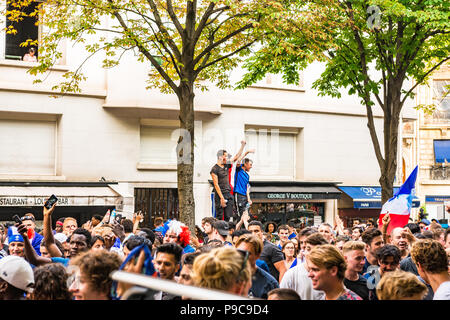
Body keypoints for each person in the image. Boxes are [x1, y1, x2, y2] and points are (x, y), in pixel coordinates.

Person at [280, 233, 327, 300]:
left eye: (316, 250)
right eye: (308, 249)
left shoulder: (329, 275)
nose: (311, 253)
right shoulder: (291, 275)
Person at [210, 141, 246, 222]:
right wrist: (222, 198)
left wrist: (242, 146)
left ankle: (226, 233)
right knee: (220, 216)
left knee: (228, 216)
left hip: (228, 193)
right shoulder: (214, 169)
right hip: (220, 195)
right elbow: (216, 185)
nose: (227, 158)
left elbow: (236, 157)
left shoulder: (226, 165)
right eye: (225, 156)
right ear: (220, 157)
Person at [235, 234, 279, 299]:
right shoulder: (228, 276)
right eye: (239, 252)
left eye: (247, 254)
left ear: (257, 255)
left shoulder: (269, 283)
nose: (242, 256)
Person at [233, 154, 254, 221]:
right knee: (240, 215)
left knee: (246, 215)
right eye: (250, 164)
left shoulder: (247, 175)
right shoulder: (239, 170)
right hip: (238, 195)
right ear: (245, 164)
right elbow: (238, 161)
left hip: (245, 197)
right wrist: (247, 152)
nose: (251, 167)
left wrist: (249, 199)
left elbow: (247, 188)